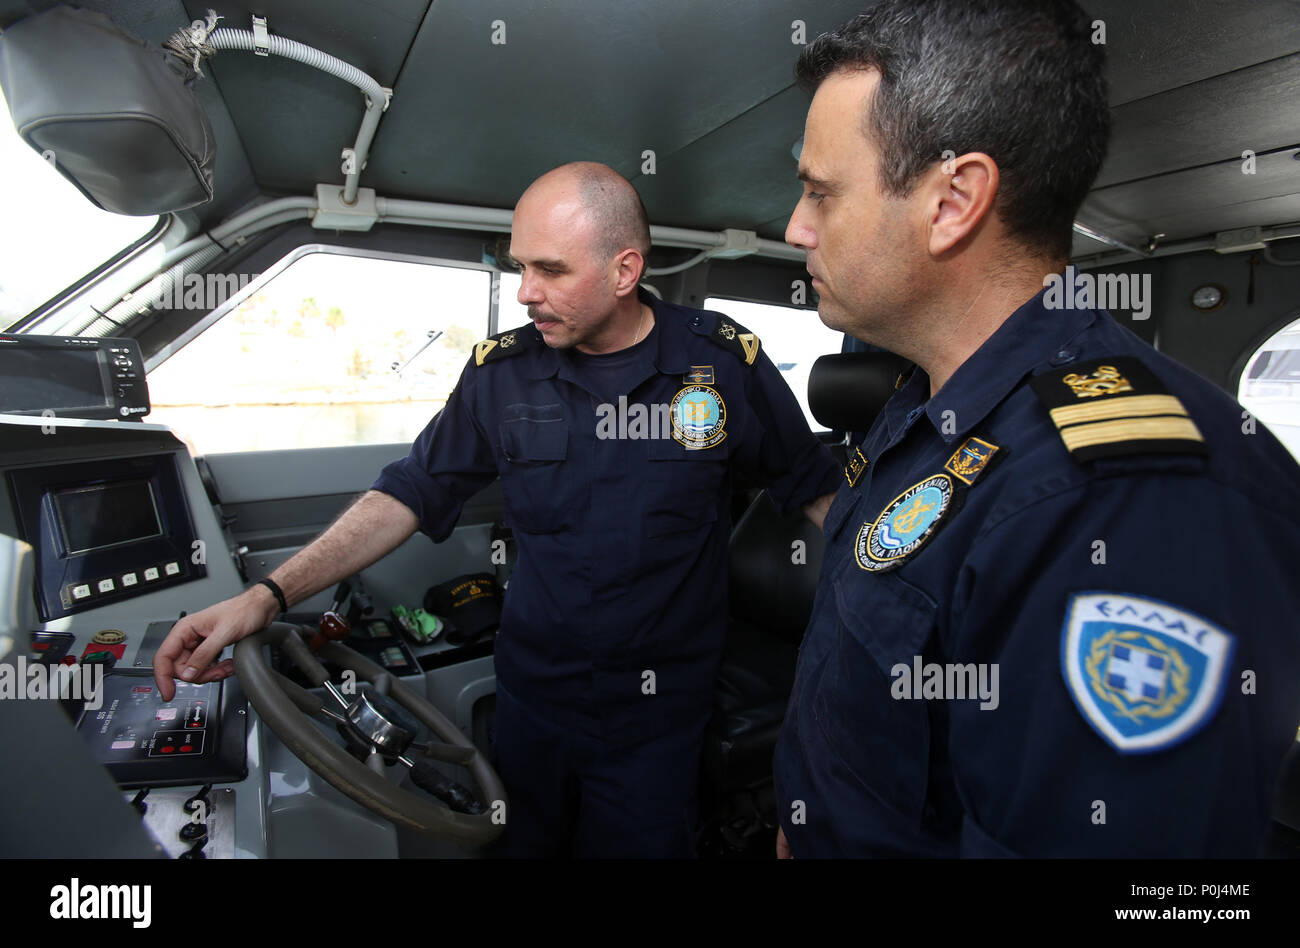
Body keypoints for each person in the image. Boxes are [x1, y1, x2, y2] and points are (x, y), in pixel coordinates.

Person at [154, 161, 841, 858]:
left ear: (625, 271)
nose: (525, 294)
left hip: (658, 714)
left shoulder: (720, 363)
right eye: (519, 267)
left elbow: (819, 495)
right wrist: (267, 596)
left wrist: (893, 635)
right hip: (532, 701)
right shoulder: (501, 373)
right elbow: (410, 492)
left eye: (550, 270)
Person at [774, 0, 1300, 857]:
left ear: (953, 202)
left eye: (821, 194)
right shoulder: (923, 412)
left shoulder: (1131, 499)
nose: (796, 228)